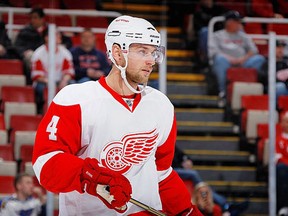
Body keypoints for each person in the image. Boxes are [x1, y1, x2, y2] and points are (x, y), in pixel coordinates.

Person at [32, 15, 202, 215]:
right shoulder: (76, 99)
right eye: (142, 51)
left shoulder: (161, 105)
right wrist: (94, 179)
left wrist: (186, 211)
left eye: (154, 52)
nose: (151, 61)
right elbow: (46, 163)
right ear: (117, 53)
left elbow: (161, 173)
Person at [208, 10, 266, 99]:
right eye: (237, 22)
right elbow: (213, 52)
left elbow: (254, 50)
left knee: (259, 59)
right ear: (229, 22)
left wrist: (243, 59)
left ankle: (251, 89)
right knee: (219, 59)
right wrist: (230, 59)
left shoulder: (243, 35)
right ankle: (223, 91)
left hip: (243, 62)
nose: (240, 24)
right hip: (226, 62)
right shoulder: (217, 35)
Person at [31, 28, 75, 114]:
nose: (59, 36)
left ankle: (69, 112)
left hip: (60, 80)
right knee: (40, 88)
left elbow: (69, 72)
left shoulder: (65, 52)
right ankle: (41, 111)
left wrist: (64, 80)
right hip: (44, 81)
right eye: (56, 34)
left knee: (72, 85)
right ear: (47, 37)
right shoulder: (38, 53)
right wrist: (50, 82)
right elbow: (37, 76)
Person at [14, 7, 46, 85]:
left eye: (35, 17)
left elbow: (64, 41)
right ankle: (33, 82)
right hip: (32, 56)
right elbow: (18, 46)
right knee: (30, 55)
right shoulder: (25, 31)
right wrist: (24, 52)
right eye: (31, 18)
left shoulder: (50, 30)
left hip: (47, 56)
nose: (32, 20)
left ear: (42, 19)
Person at [276, 111, 288, 213]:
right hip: (284, 168)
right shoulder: (278, 140)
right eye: (284, 121)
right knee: (281, 169)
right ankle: (283, 207)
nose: (285, 124)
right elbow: (278, 157)